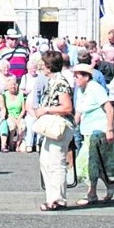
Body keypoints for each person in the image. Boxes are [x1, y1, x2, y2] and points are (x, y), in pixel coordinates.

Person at [72, 63, 114, 206]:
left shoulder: (95, 88)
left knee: (87, 162)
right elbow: (79, 112)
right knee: (95, 164)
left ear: (86, 77)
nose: (75, 79)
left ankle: (91, 194)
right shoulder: (81, 90)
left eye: (77, 76)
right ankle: (109, 185)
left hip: (99, 131)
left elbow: (109, 109)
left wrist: (110, 129)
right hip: (88, 132)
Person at [35, 49, 74, 211]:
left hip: (61, 126)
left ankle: (58, 200)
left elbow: (67, 107)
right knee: (45, 161)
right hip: (52, 127)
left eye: (43, 64)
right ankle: (51, 197)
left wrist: (46, 109)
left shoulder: (60, 83)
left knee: (56, 162)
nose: (41, 67)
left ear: (49, 66)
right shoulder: (52, 82)